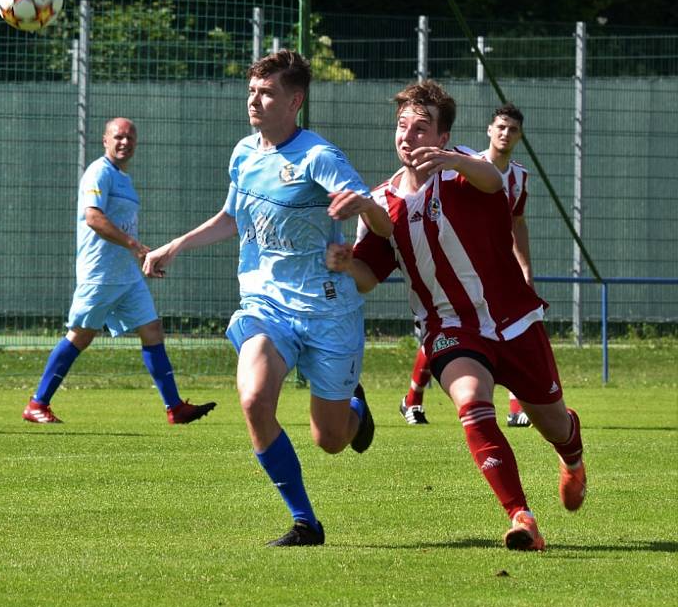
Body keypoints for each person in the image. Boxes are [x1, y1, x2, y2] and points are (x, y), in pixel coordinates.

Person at [144, 50, 392, 546]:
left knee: (330, 439)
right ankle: (306, 522)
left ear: (294, 100)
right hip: (266, 305)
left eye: (267, 92)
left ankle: (354, 413)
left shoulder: (318, 156)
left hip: (327, 312)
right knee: (254, 398)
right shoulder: (243, 153)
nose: (255, 101)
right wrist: (174, 246)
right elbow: (231, 217)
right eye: (252, 92)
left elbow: (383, 226)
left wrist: (362, 204)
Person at [327, 80, 586, 551]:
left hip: (514, 320)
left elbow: (492, 179)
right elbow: (369, 276)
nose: (408, 136)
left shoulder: (466, 168)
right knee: (471, 401)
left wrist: (453, 161)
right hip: (449, 328)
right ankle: (521, 517)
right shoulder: (380, 202)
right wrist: (346, 264)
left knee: (552, 424)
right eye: (401, 126)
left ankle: (572, 456)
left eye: (421, 128)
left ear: (444, 137)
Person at [22, 117, 216, 426]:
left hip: (125, 276)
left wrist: (140, 259)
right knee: (80, 336)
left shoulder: (123, 178)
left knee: (152, 330)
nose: (124, 142)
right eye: (118, 137)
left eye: (130, 138)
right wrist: (135, 246)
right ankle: (37, 403)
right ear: (105, 140)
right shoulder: (99, 172)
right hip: (100, 273)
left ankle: (175, 407)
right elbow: (93, 218)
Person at [399, 104, 534, 428]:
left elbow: (517, 222)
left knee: (510, 331)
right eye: (500, 127)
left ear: (520, 136)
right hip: (459, 271)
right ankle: (413, 399)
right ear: (490, 130)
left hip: (497, 272)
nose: (505, 134)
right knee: (449, 332)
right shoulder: (464, 165)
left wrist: (525, 268)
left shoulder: (518, 176)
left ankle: (516, 407)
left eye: (513, 129)